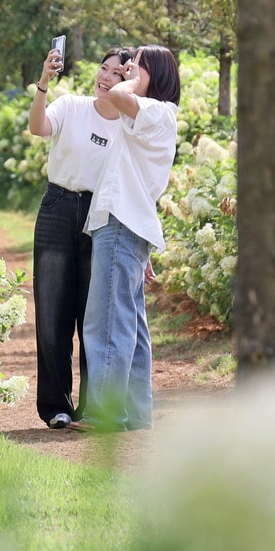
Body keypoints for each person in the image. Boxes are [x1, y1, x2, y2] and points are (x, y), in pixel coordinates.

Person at [72, 45, 180, 432]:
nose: (128, 73)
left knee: (106, 322)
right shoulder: (156, 116)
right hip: (127, 226)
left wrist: (130, 79)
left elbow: (118, 96)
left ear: (157, 74)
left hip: (120, 226)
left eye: (138, 67)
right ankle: (135, 414)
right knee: (130, 323)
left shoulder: (155, 110)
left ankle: (106, 413)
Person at [27, 45, 130, 429]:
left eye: (117, 74)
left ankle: (92, 407)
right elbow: (38, 128)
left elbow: (134, 186)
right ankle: (56, 406)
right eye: (104, 69)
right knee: (52, 313)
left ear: (130, 82)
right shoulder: (70, 106)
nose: (106, 78)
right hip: (57, 209)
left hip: (102, 216)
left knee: (94, 316)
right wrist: (44, 84)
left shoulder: (128, 127)